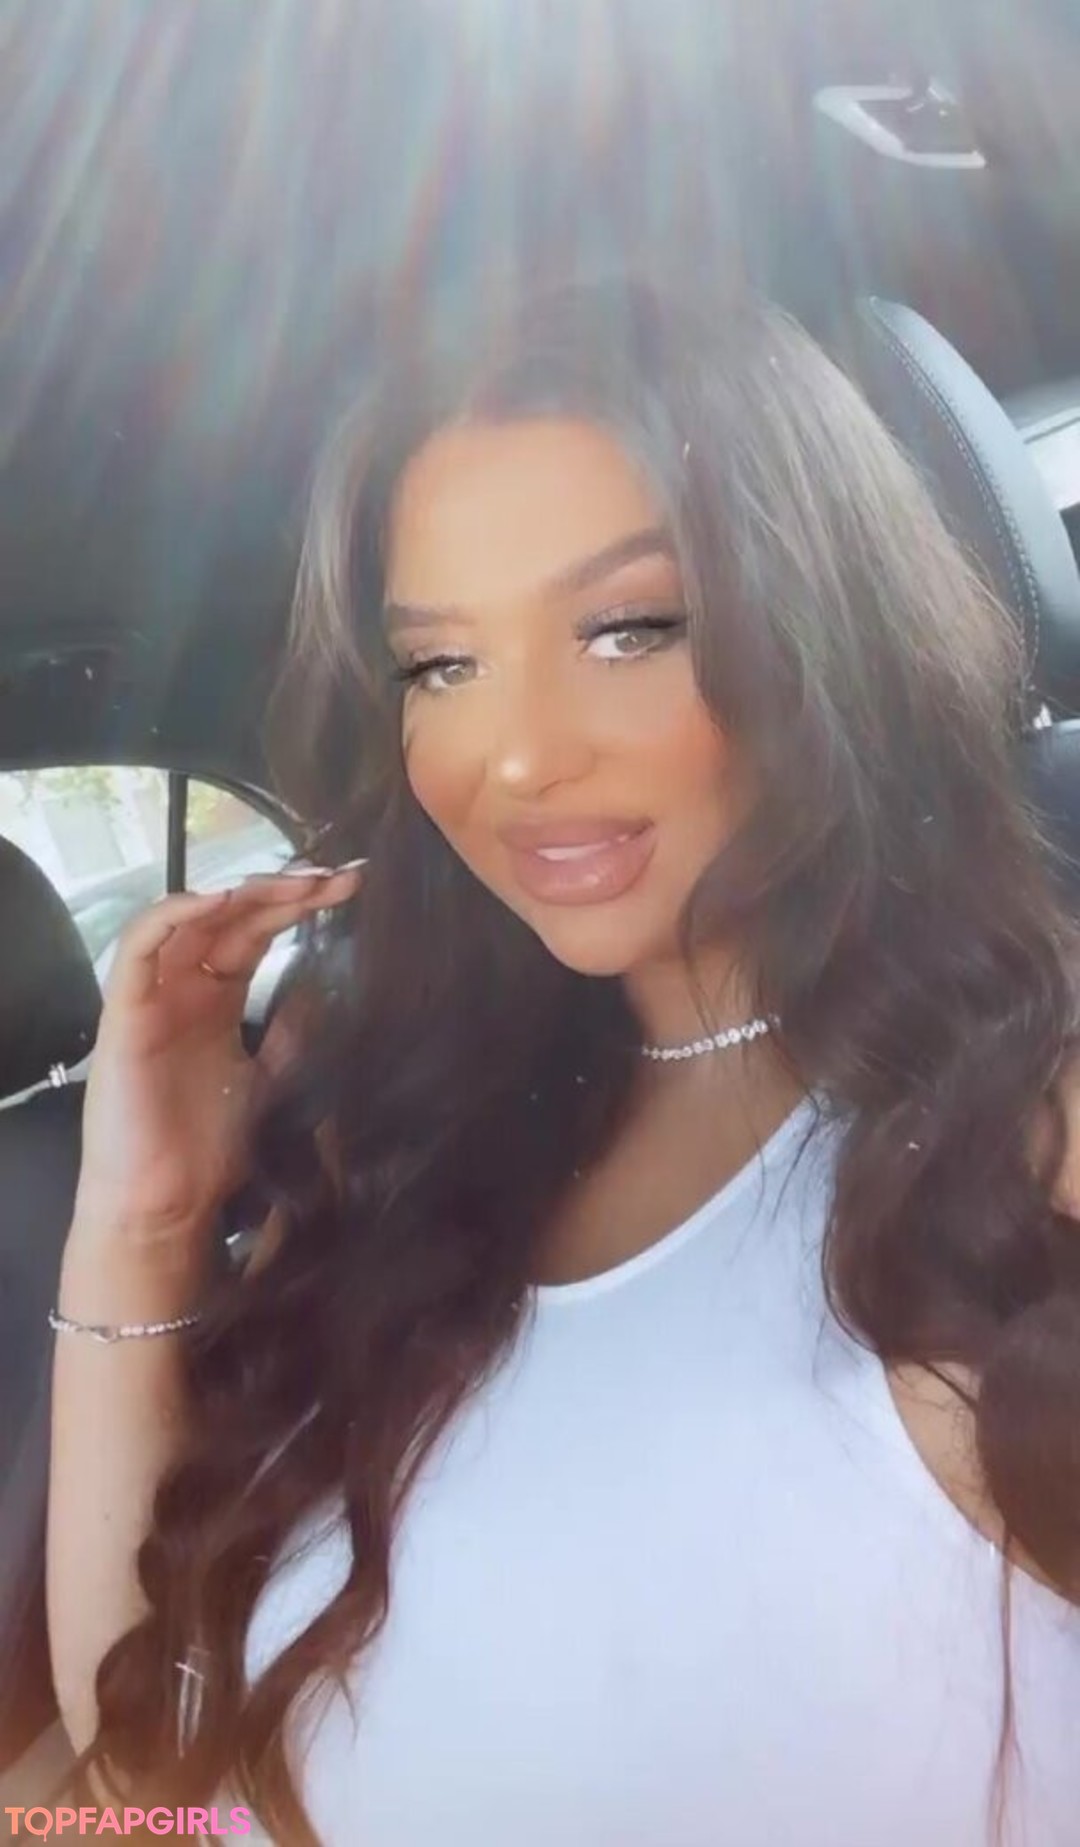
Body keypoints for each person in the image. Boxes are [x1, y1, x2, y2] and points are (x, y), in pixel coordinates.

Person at [46, 281, 1080, 1847]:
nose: (518, 757)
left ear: (825, 629)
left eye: (626, 630)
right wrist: (146, 1216)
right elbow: (151, 1769)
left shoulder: (1027, 1133)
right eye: (441, 667)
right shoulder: (410, 1152)